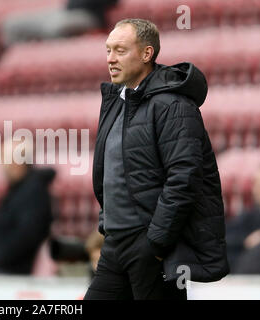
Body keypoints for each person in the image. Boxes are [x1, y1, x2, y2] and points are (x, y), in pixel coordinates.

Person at [84, 19, 229, 300]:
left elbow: (184, 177)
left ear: (147, 54)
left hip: (150, 248)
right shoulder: (117, 101)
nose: (111, 59)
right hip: (115, 244)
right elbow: (111, 172)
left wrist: (157, 243)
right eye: (108, 50)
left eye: (120, 51)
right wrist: (107, 223)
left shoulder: (174, 105)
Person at [0, 141, 55, 275]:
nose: (3, 167)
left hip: (11, 273)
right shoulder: (19, 190)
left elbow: (27, 235)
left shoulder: (32, 192)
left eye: (6, 161)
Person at [1, 0, 118, 45]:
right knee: (11, 24)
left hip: (89, 15)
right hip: (65, 11)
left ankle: (47, 55)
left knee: (55, 28)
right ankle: (18, 58)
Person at [226, 169, 260, 273]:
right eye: (255, 185)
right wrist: (246, 240)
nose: (255, 189)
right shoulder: (250, 215)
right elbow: (224, 237)